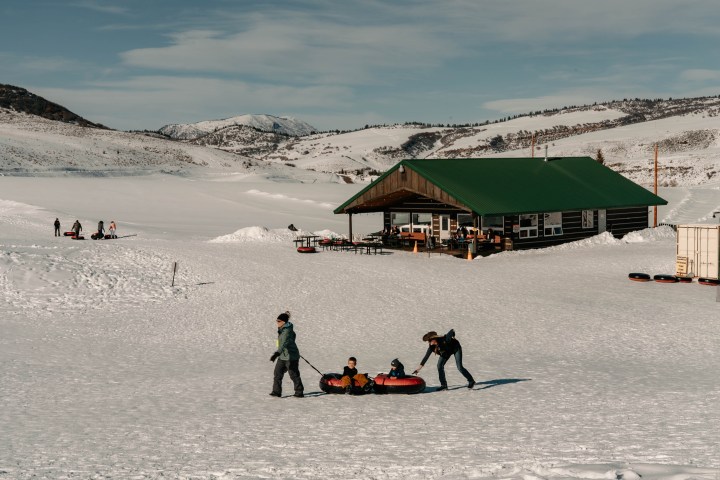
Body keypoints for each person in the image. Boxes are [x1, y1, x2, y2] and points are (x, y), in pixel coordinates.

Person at [269, 311, 304, 398]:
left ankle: (299, 392)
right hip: (282, 356)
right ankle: (276, 392)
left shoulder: (287, 331)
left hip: (290, 357)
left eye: (279, 321)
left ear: (284, 322)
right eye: (276, 320)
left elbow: (284, 343)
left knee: (293, 374)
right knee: (277, 373)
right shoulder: (282, 330)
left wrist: (276, 353)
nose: (277, 322)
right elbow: (283, 342)